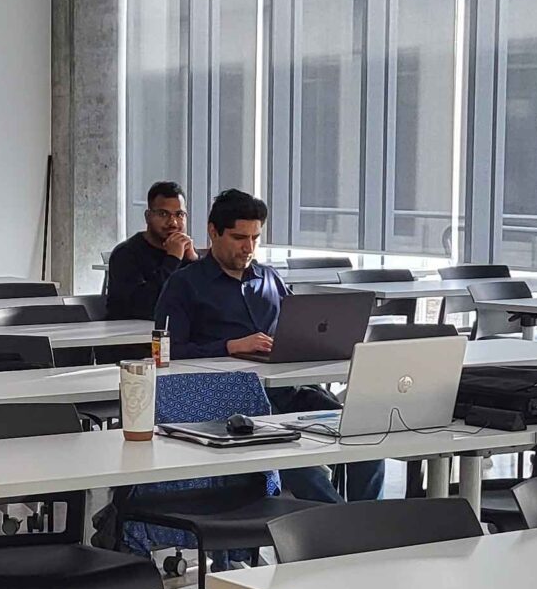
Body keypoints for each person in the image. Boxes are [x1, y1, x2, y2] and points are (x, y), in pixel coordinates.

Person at [152, 189, 384, 504]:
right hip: (228, 402)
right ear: (213, 231)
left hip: (288, 392)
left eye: (255, 238)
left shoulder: (270, 278)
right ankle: (338, 523)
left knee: (365, 434)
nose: (248, 247)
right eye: (239, 238)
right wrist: (229, 346)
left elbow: (299, 328)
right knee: (299, 463)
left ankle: (367, 518)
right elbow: (168, 351)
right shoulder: (184, 284)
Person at [103, 181, 196, 321]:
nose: (173, 223)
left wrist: (195, 261)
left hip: (176, 331)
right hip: (131, 332)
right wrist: (172, 259)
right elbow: (144, 306)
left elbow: (210, 301)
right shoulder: (126, 254)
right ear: (148, 216)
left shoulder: (186, 253)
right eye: (163, 214)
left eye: (179, 214)